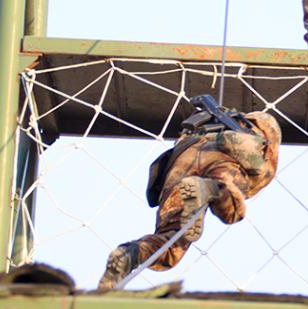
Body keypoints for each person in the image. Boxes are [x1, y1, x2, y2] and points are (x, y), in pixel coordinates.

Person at [97, 106, 281, 289]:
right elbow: (262, 163)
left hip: (182, 158)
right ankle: (209, 189)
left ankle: (129, 254)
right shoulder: (260, 127)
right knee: (232, 211)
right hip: (223, 156)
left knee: (171, 239)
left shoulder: (213, 119)